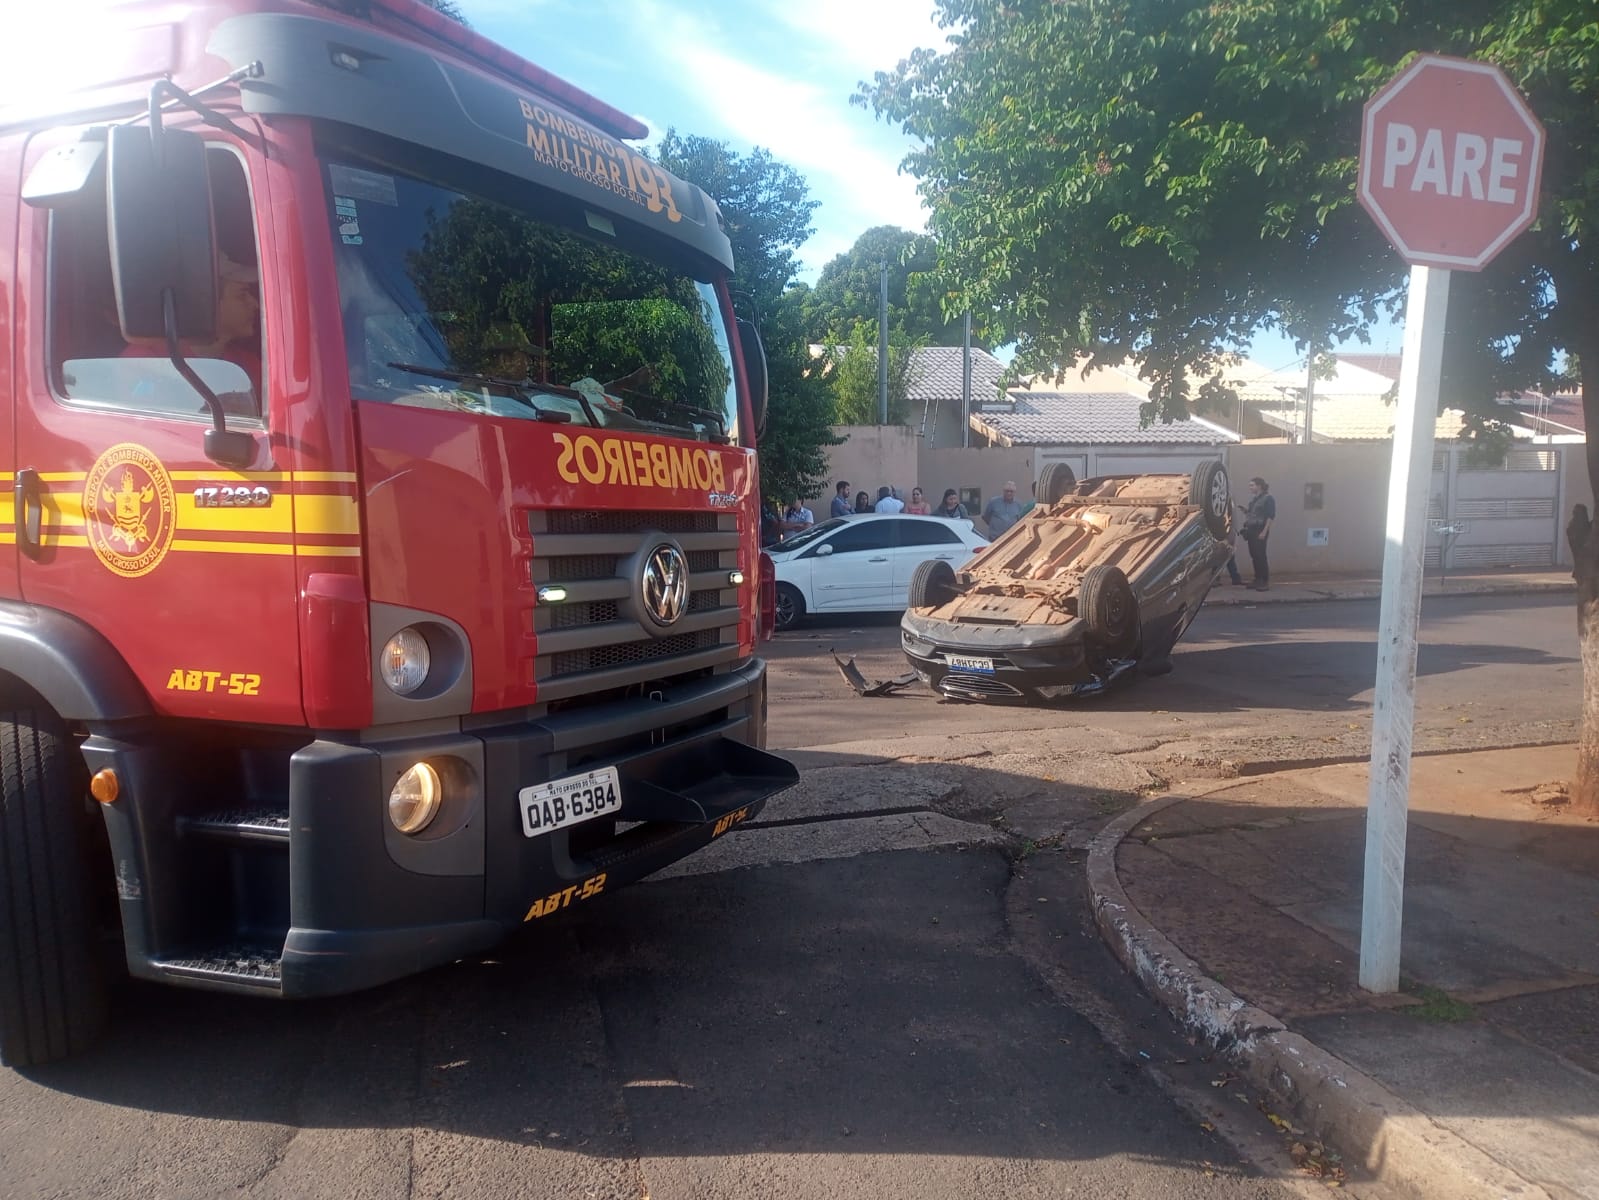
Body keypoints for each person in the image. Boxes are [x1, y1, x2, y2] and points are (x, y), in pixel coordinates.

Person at [1238, 476, 1276, 591]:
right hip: (1251, 530)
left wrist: (1264, 532)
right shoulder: (1255, 500)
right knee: (1254, 556)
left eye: (1252, 485)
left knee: (1260, 556)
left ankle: (1264, 581)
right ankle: (1257, 579)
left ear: (1259, 486)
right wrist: (1245, 511)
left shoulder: (1268, 499)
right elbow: (1254, 514)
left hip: (1260, 530)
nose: (1250, 487)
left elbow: (1270, 516)